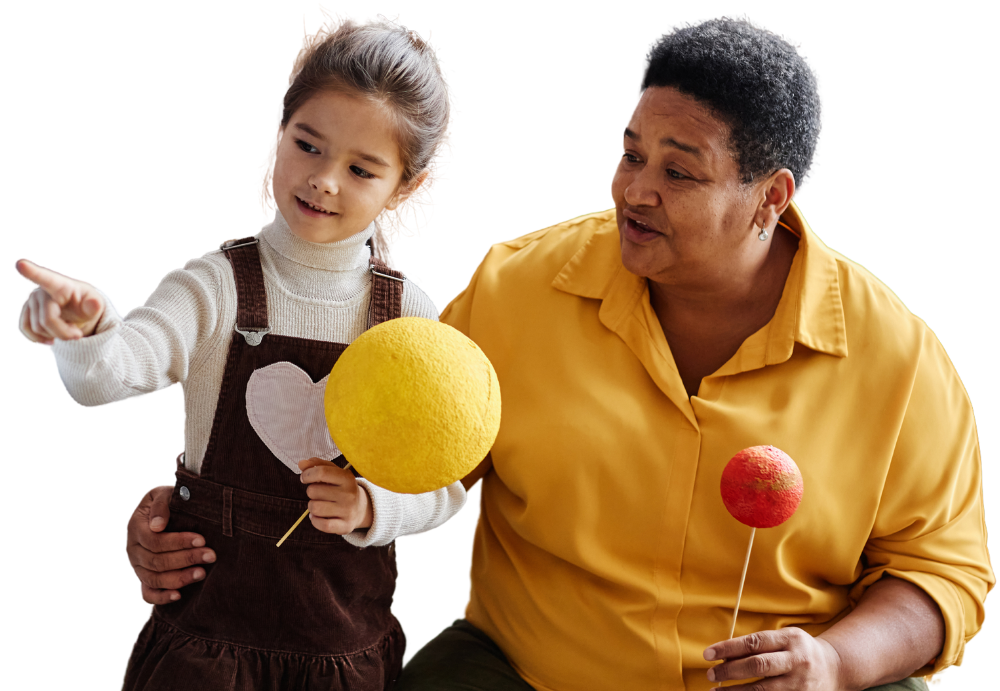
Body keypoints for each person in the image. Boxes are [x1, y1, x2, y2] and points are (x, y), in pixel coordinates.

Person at [121, 13, 996, 691]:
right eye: (629, 153)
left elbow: (942, 574)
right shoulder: (513, 287)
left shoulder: (900, 356)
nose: (635, 190)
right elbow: (392, 454)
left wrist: (834, 662)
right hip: (524, 671)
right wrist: (189, 516)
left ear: (769, 198)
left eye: (678, 171)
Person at [16, 10, 466, 691]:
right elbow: (108, 375)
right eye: (309, 145)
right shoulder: (217, 284)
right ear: (277, 133)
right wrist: (87, 327)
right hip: (206, 650)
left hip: (341, 654)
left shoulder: (406, 316)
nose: (325, 180)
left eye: (362, 168)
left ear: (404, 187)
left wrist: (374, 506)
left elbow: (444, 483)